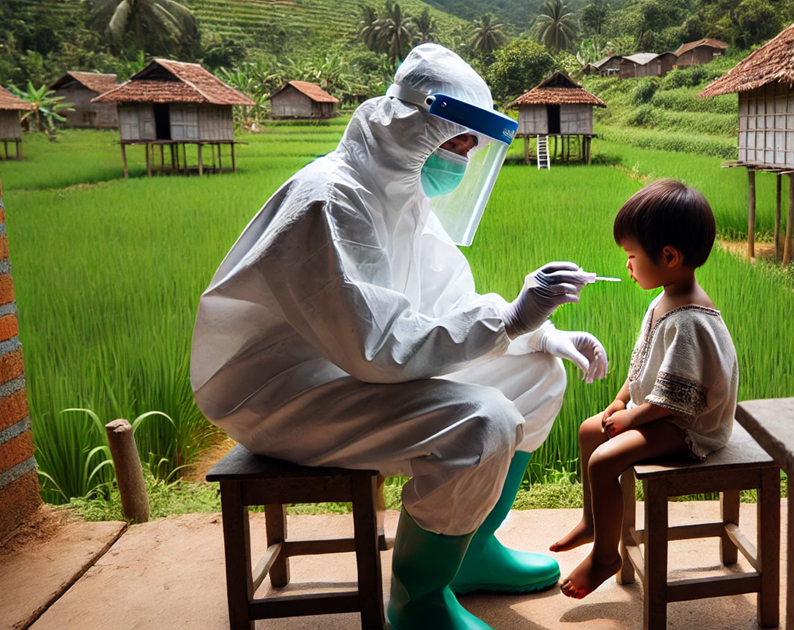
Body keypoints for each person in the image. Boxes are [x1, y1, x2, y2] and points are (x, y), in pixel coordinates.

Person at [190, 44, 609, 630]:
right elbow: (376, 348)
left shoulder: (402, 193)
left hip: (349, 371)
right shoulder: (331, 202)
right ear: (417, 126)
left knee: (538, 378)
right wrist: (510, 320)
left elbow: (445, 305)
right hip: (281, 392)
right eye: (458, 142)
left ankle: (470, 550)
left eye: (472, 147)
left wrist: (539, 333)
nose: (464, 159)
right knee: (483, 421)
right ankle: (418, 600)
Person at [550, 179, 740, 599]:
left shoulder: (689, 320)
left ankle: (606, 556)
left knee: (603, 462)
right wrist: (621, 399)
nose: (628, 266)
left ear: (669, 256)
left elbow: (678, 397)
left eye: (632, 256)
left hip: (690, 427)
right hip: (661, 412)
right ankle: (593, 521)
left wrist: (631, 416)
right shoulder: (664, 300)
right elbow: (646, 365)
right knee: (588, 431)